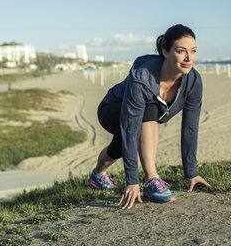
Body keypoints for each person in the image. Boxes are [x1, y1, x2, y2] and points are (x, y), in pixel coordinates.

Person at [89, 24, 211, 209]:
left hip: (142, 118)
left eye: (193, 51)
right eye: (181, 51)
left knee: (118, 148)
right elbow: (131, 129)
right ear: (165, 52)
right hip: (111, 109)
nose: (189, 58)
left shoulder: (193, 81)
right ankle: (152, 181)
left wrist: (191, 172)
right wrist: (132, 181)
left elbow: (190, 127)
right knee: (148, 109)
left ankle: (98, 175)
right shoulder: (142, 79)